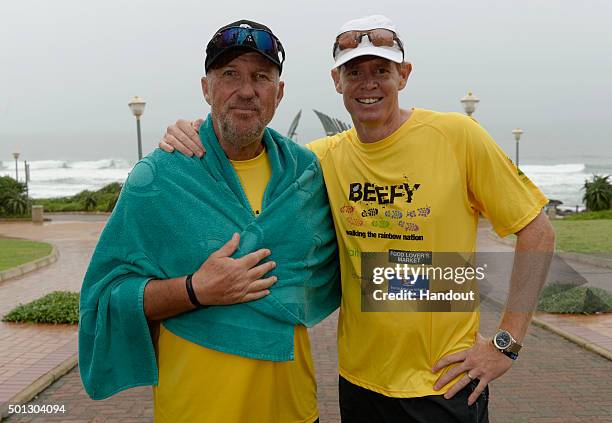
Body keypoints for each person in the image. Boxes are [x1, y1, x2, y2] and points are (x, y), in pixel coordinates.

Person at [160, 15, 555, 423]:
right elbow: (249, 147)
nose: (368, 84)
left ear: (403, 75)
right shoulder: (322, 159)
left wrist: (507, 342)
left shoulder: (457, 136)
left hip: (443, 384)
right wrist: (189, 131)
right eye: (354, 72)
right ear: (337, 81)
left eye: (381, 70)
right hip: (359, 384)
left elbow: (536, 230)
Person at [79, 20, 340, 423]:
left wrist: (462, 325)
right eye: (229, 74)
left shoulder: (308, 171)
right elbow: (105, 297)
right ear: (206, 88)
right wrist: (195, 289)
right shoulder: (159, 176)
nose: (246, 89)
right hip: (195, 409)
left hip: (293, 406)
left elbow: (362, 256)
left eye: (261, 76)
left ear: (279, 93)